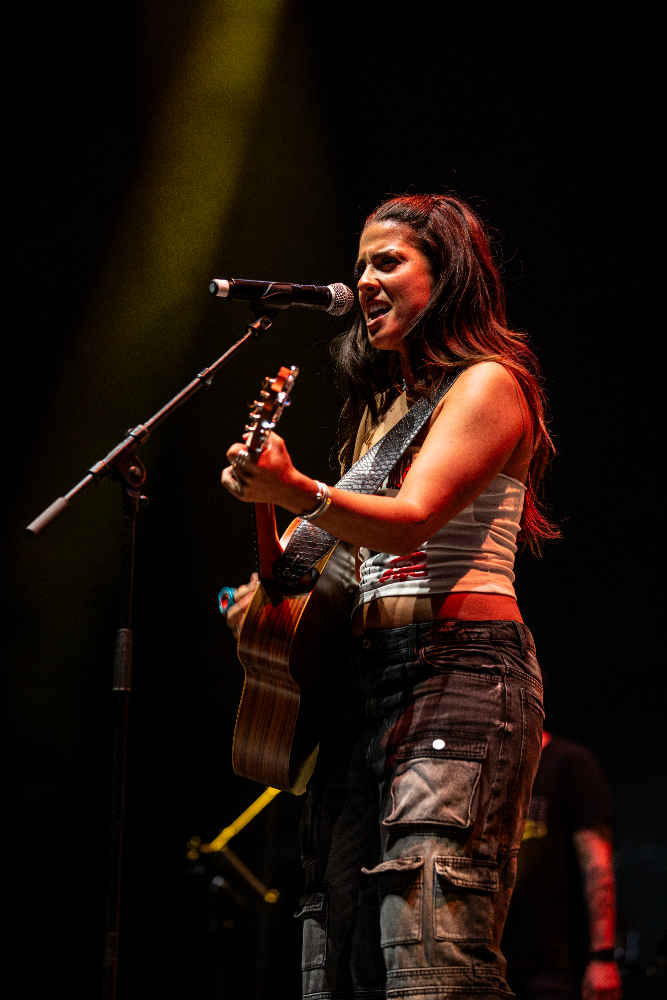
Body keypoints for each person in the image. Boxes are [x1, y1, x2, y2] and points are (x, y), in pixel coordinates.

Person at [222, 194, 558, 999]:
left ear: (447, 275)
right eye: (359, 267)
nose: (365, 282)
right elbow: (314, 574)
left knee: (430, 954)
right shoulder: (382, 412)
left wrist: (297, 488)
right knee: (334, 952)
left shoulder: (489, 384)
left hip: (458, 672)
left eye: (387, 262)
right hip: (363, 683)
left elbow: (410, 524)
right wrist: (267, 507)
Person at [502, 730, 623, 1000]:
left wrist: (603, 956)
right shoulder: (488, 769)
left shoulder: (570, 762)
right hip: (486, 960)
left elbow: (597, 866)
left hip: (552, 967)